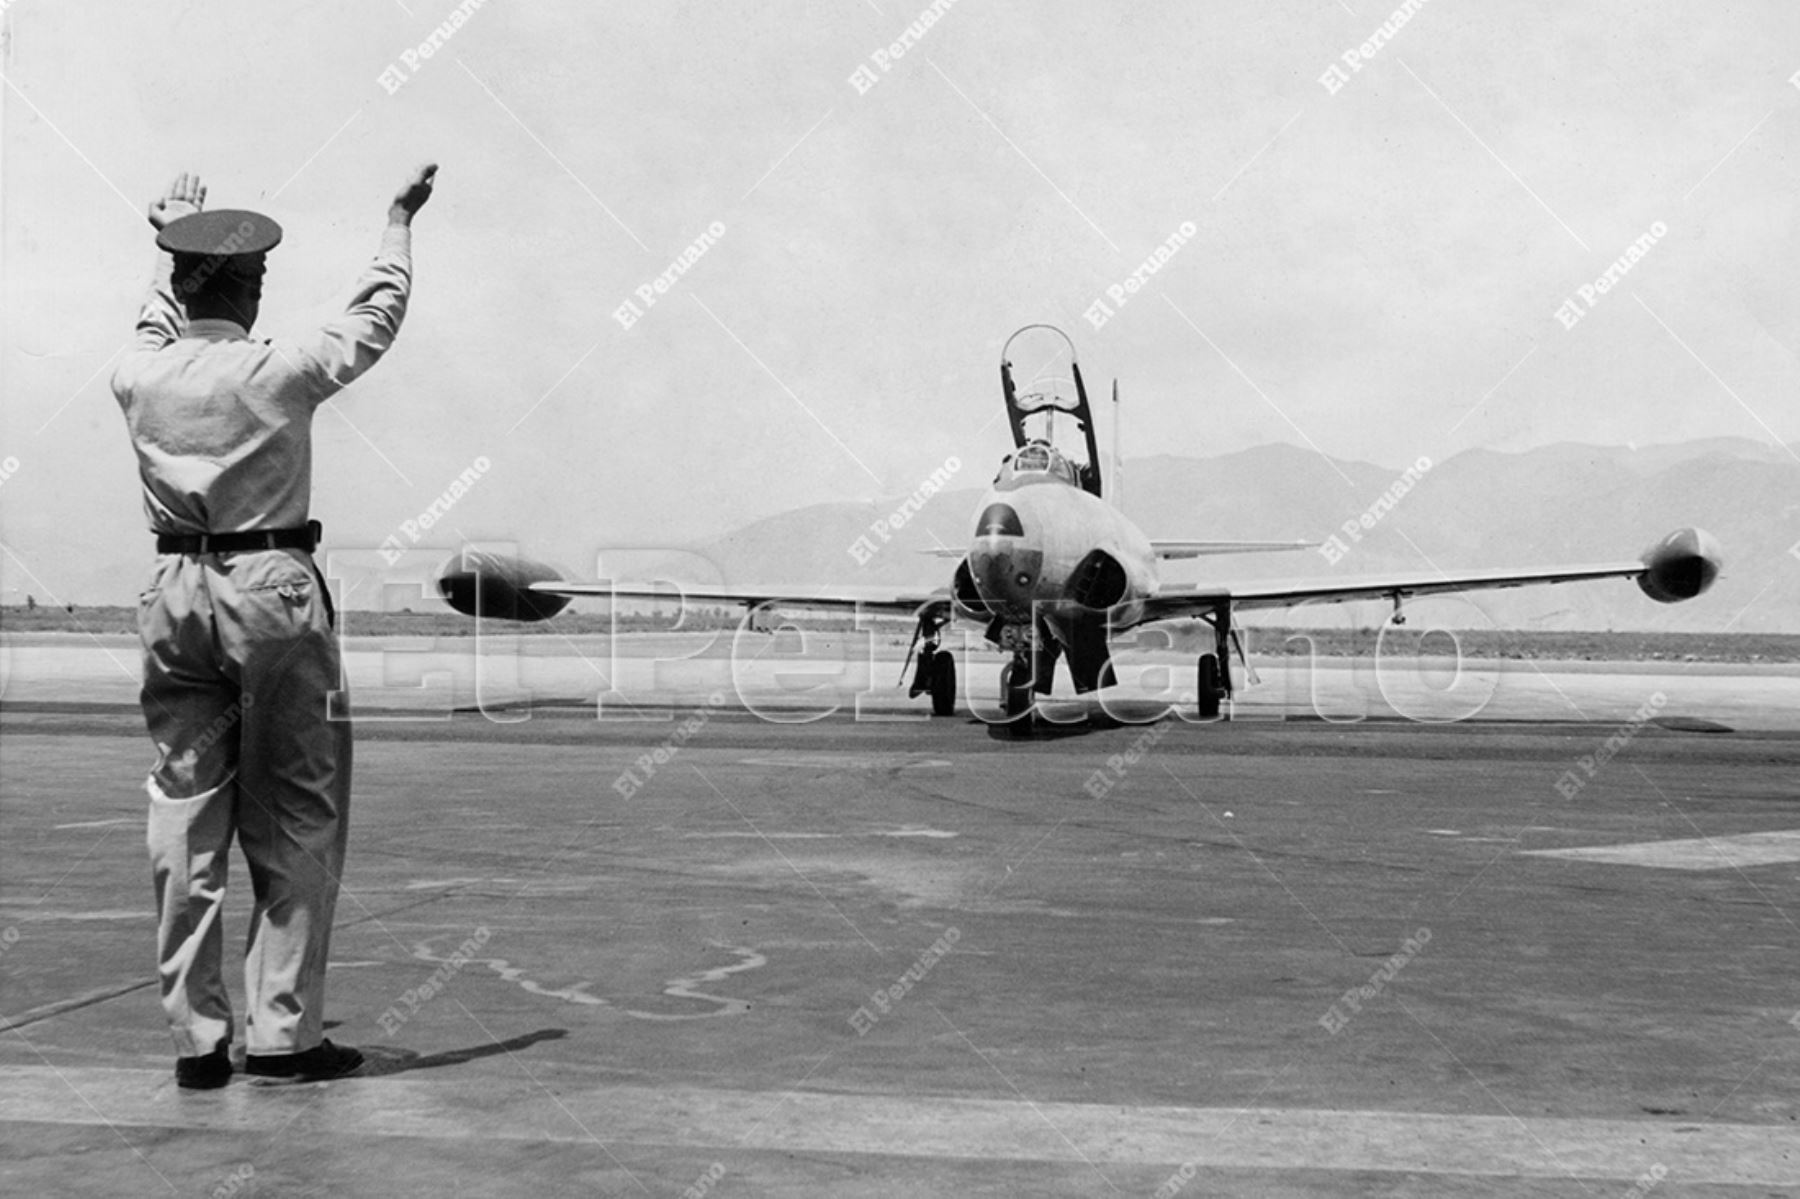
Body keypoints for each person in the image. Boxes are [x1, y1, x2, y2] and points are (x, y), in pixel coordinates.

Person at [113, 164, 437, 1088]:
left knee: (183, 810)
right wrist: (396, 225)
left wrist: (170, 239)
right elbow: (373, 318)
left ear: (178, 285)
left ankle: (198, 1040)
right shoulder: (281, 368)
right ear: (249, 285)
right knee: (297, 809)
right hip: (272, 587)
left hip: (173, 587)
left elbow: (154, 317)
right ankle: (284, 1033)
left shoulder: (138, 373)